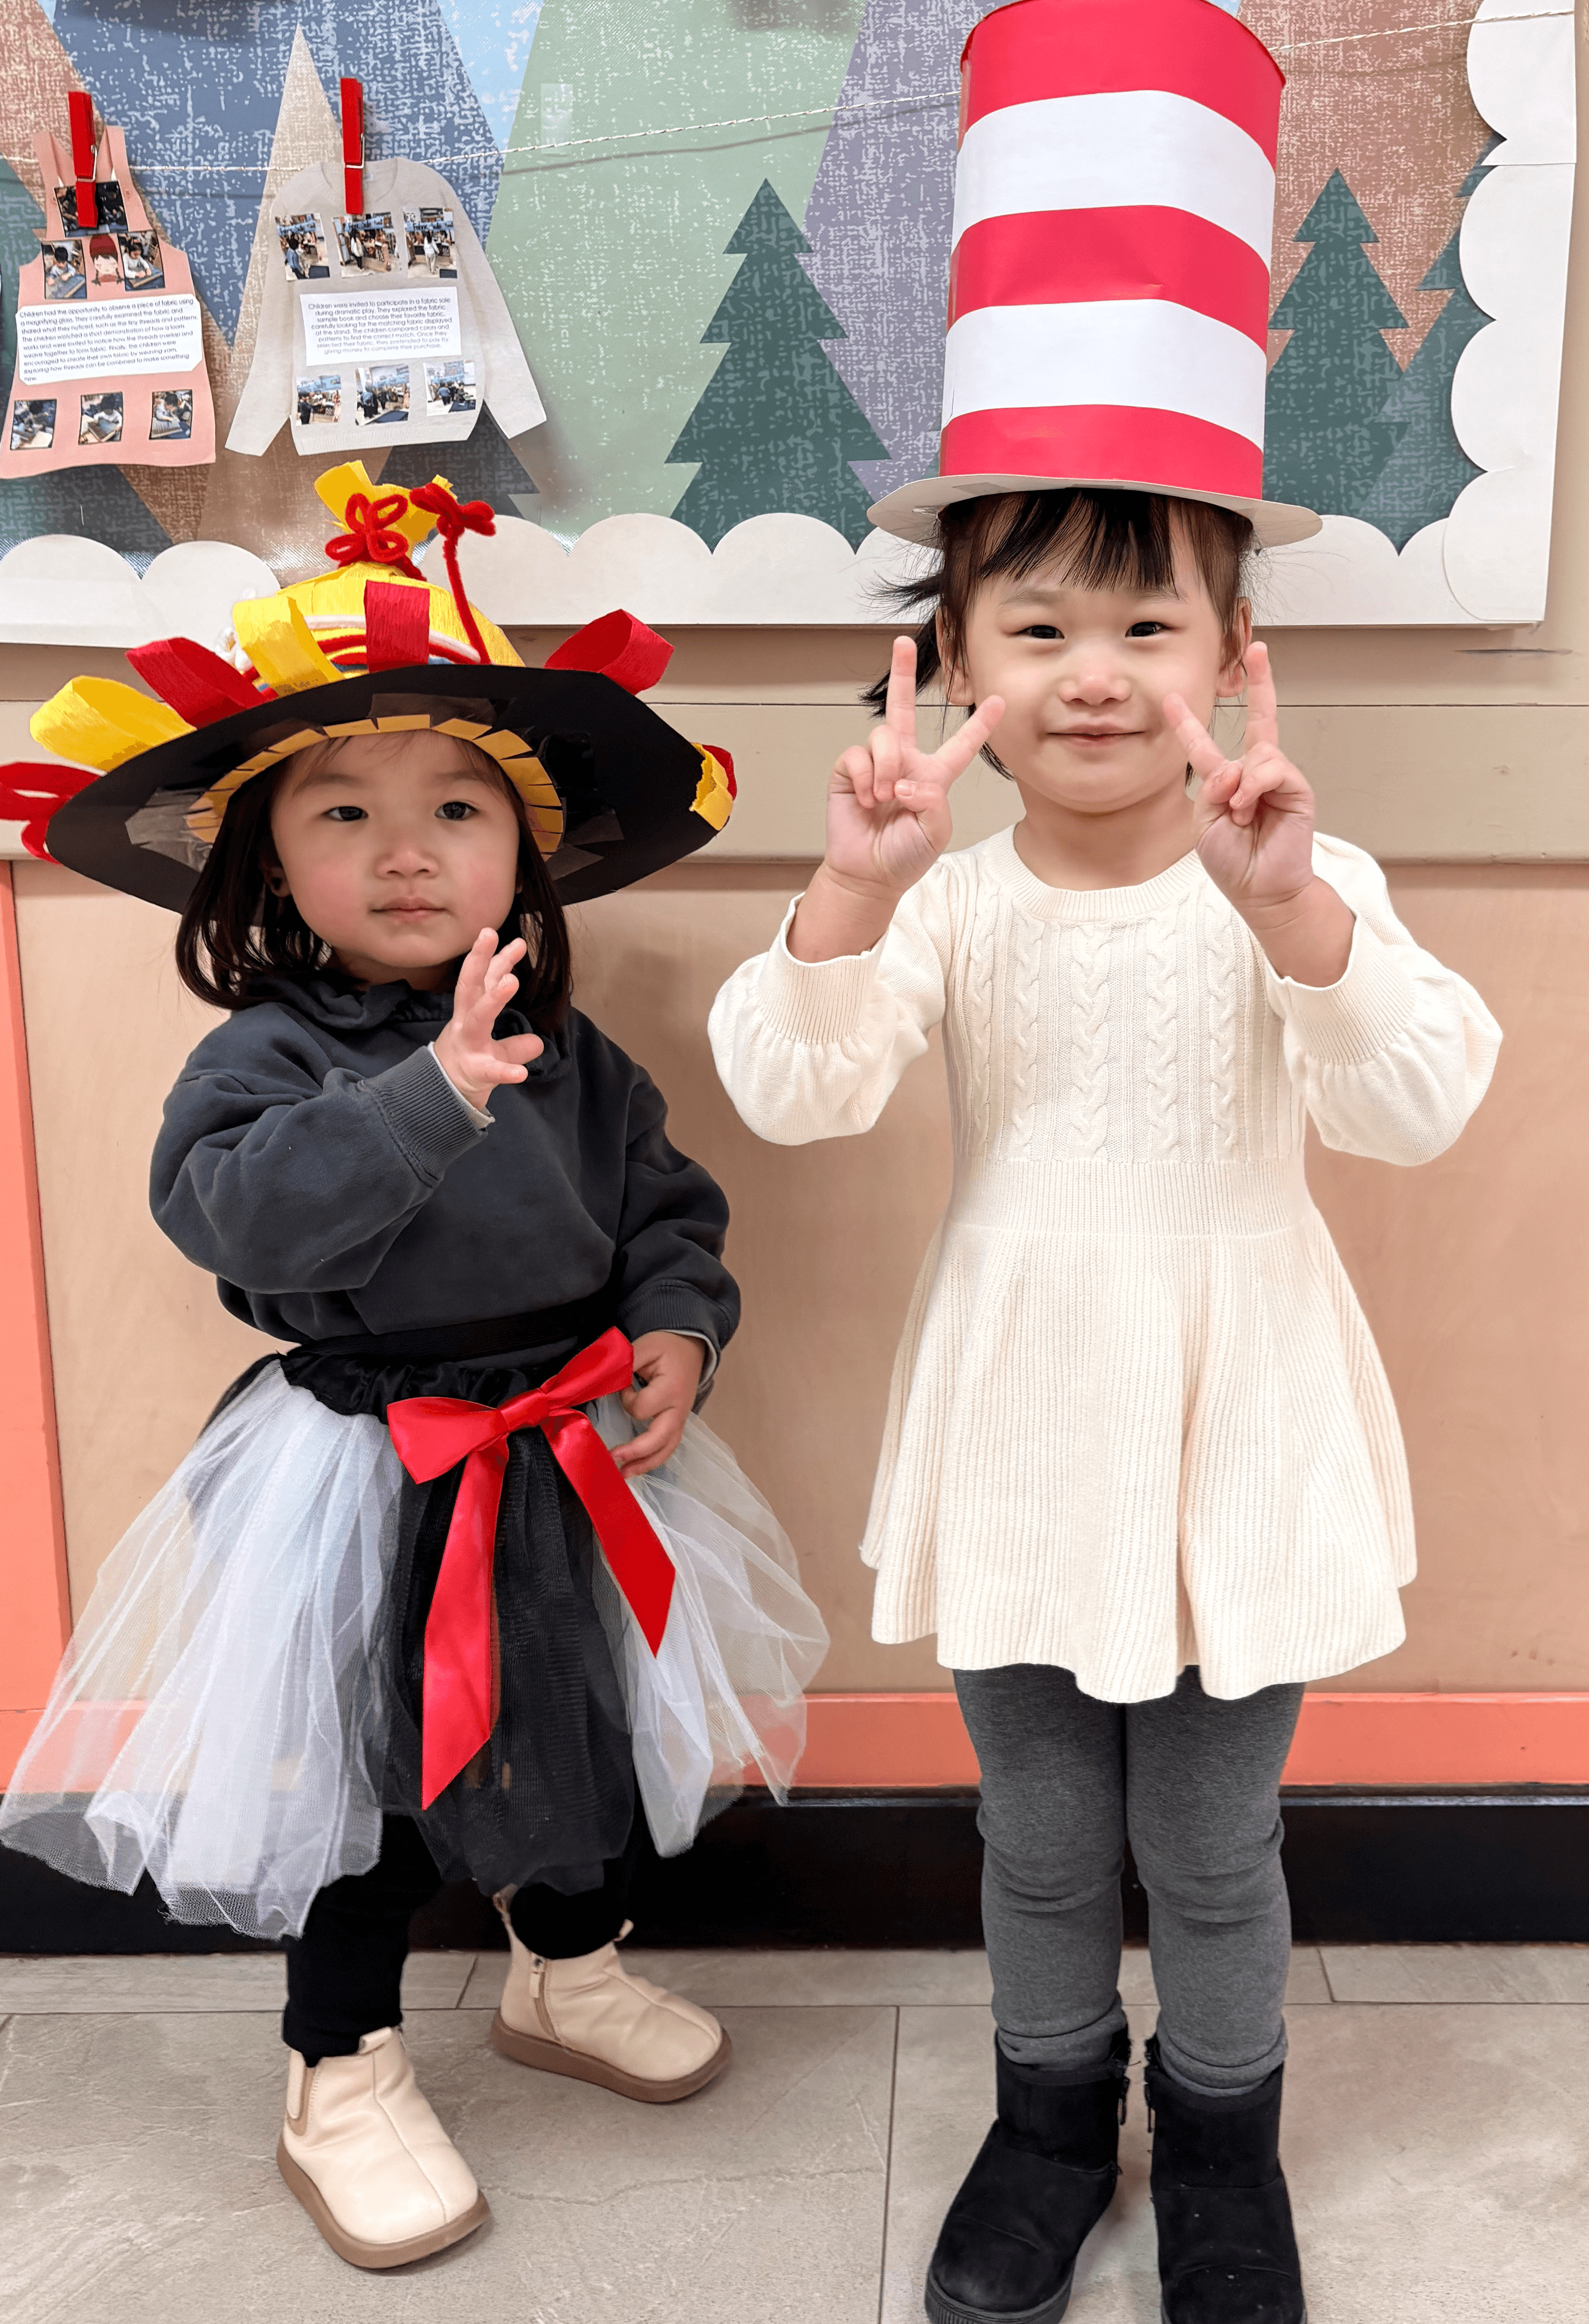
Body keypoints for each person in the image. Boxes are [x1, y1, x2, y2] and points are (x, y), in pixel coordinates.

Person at [708, 7, 1500, 2323]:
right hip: (1027, 1415)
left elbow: (1419, 1093)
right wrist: (845, 891)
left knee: (1215, 1838)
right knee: (1045, 1834)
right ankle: (1051, 2118)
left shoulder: (1292, 876)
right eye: (1034, 623)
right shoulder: (947, 901)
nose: (1089, 671)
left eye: (1147, 622)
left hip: (1237, 1416)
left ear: (1233, 649)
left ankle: (1226, 2145)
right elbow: (796, 1086)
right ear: (950, 654)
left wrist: (1298, 913)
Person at [0, 470, 825, 2273]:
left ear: (522, 854)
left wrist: (678, 1324)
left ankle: (566, 1969)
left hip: (565, 1445)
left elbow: (666, 1212)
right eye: (346, 811)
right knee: (377, 1780)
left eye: (456, 808)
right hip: (374, 1467)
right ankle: (342, 2066)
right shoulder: (267, 1055)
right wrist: (430, 1094)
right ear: (267, 858)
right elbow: (237, 1216)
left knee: (581, 1722)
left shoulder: (575, 1054)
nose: (406, 850)